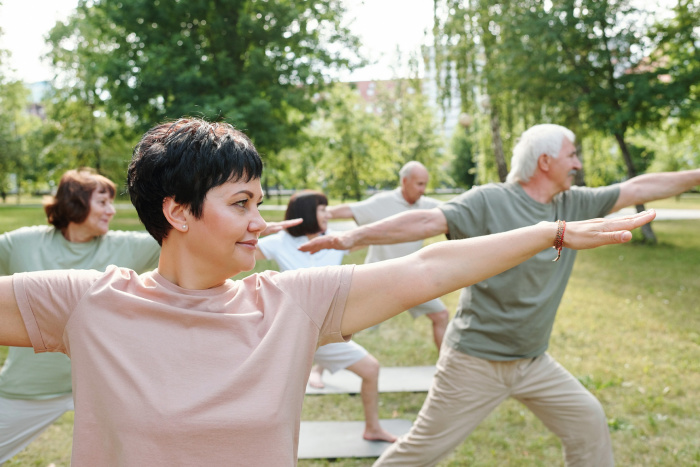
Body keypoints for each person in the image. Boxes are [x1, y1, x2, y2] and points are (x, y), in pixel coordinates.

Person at [0, 118, 655, 466]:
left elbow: (430, 270)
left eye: (260, 199)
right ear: (177, 212)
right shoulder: (85, 301)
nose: (261, 220)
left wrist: (554, 231)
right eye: (242, 202)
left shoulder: (287, 305)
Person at [300, 123, 700, 466]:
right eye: (572, 154)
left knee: (589, 422)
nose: (578, 163)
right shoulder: (490, 200)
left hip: (533, 361)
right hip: (475, 361)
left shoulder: (574, 203)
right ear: (545, 161)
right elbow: (425, 219)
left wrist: (696, 175)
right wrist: (353, 235)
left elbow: (637, 187)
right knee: (420, 452)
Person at [0, 168, 161, 464]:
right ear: (75, 202)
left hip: (104, 388)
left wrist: (261, 227)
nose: (111, 211)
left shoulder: (125, 246)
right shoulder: (22, 243)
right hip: (33, 387)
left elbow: (192, 239)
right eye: (103, 202)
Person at [256, 189, 397, 443]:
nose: (327, 214)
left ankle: (372, 428)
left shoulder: (335, 239)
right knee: (275, 394)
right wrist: (257, 230)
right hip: (292, 330)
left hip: (326, 330)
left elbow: (375, 237)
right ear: (307, 212)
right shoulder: (281, 241)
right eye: (322, 209)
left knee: (370, 369)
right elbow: (234, 254)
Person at [326, 161, 450, 351]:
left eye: (425, 184)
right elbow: (349, 210)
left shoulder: (426, 206)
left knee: (440, 315)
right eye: (419, 184)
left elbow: (457, 209)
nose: (423, 190)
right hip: (379, 280)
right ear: (404, 181)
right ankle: (321, 367)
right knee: (350, 327)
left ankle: (446, 369)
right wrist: (316, 214)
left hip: (412, 278)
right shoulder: (383, 202)